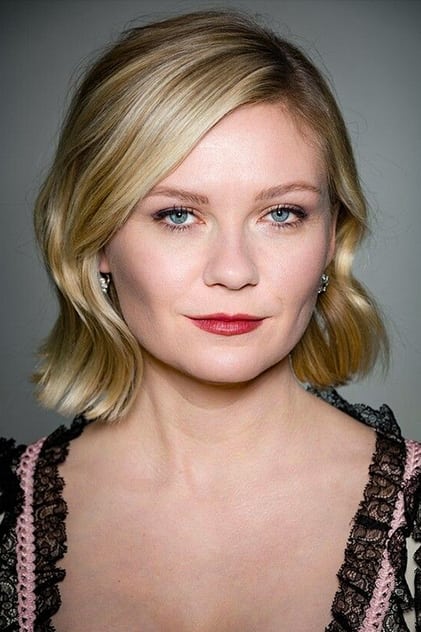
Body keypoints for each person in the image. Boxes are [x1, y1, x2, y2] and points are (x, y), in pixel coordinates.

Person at [0, 9, 419, 632]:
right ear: (97, 238)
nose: (233, 271)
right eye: (177, 215)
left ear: (332, 237)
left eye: (281, 214)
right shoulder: (10, 515)